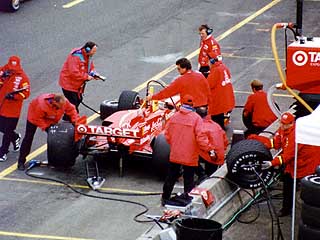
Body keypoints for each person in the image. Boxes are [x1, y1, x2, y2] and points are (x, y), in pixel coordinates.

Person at [250, 112, 320, 217]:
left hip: (306, 164)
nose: (282, 125)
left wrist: (271, 163)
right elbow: (276, 143)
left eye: (285, 124)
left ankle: (309, 209)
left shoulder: (295, 135)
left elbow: (287, 156)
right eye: (281, 123)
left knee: (308, 188)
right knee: (288, 185)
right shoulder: (283, 130)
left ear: (291, 123)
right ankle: (286, 208)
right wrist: (258, 141)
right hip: (294, 163)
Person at [161, 95, 215, 206]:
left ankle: (165, 198)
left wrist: (175, 145)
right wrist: (210, 149)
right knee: (188, 179)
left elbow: (166, 135)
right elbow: (201, 139)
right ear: (193, 105)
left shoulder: (174, 117)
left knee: (171, 177)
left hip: (175, 154)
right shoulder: (196, 119)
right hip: (190, 156)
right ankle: (188, 202)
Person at [17, 93, 79, 170]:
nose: (63, 107)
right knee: (28, 138)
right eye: (60, 106)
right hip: (34, 117)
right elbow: (37, 119)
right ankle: (21, 161)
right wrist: (47, 128)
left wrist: (75, 121)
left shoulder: (64, 102)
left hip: (51, 118)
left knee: (58, 138)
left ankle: (57, 160)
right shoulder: (41, 105)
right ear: (54, 102)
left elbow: (72, 110)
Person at [146, 58, 210, 111]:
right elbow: (208, 90)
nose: (178, 71)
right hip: (204, 108)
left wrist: (152, 97)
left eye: (178, 69)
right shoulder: (200, 75)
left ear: (184, 68)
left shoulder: (181, 80)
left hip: (191, 109)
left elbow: (167, 92)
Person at [0, 56, 30, 162]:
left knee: (7, 131)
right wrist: (2, 77)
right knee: (2, 128)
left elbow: (26, 93)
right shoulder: (2, 71)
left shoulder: (23, 78)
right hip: (1, 106)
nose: (12, 70)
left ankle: (3, 152)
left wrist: (14, 97)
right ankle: (15, 137)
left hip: (13, 111)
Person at [59, 41, 98, 114]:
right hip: (68, 84)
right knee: (73, 103)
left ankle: (67, 116)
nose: (94, 53)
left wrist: (94, 74)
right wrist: (86, 77)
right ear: (88, 50)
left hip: (77, 85)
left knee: (78, 100)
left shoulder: (88, 56)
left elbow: (90, 67)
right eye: (93, 51)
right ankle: (71, 118)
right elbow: (74, 73)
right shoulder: (76, 57)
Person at [196, 106, 229, 181]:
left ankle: (202, 175)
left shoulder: (200, 127)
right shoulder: (216, 125)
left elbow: (203, 143)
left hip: (211, 155)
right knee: (211, 174)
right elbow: (225, 141)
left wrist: (212, 152)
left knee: (190, 157)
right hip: (219, 154)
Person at [207, 52, 235, 130]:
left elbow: (208, 85)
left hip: (218, 102)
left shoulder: (215, 71)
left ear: (212, 61)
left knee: (216, 122)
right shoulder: (224, 67)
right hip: (227, 99)